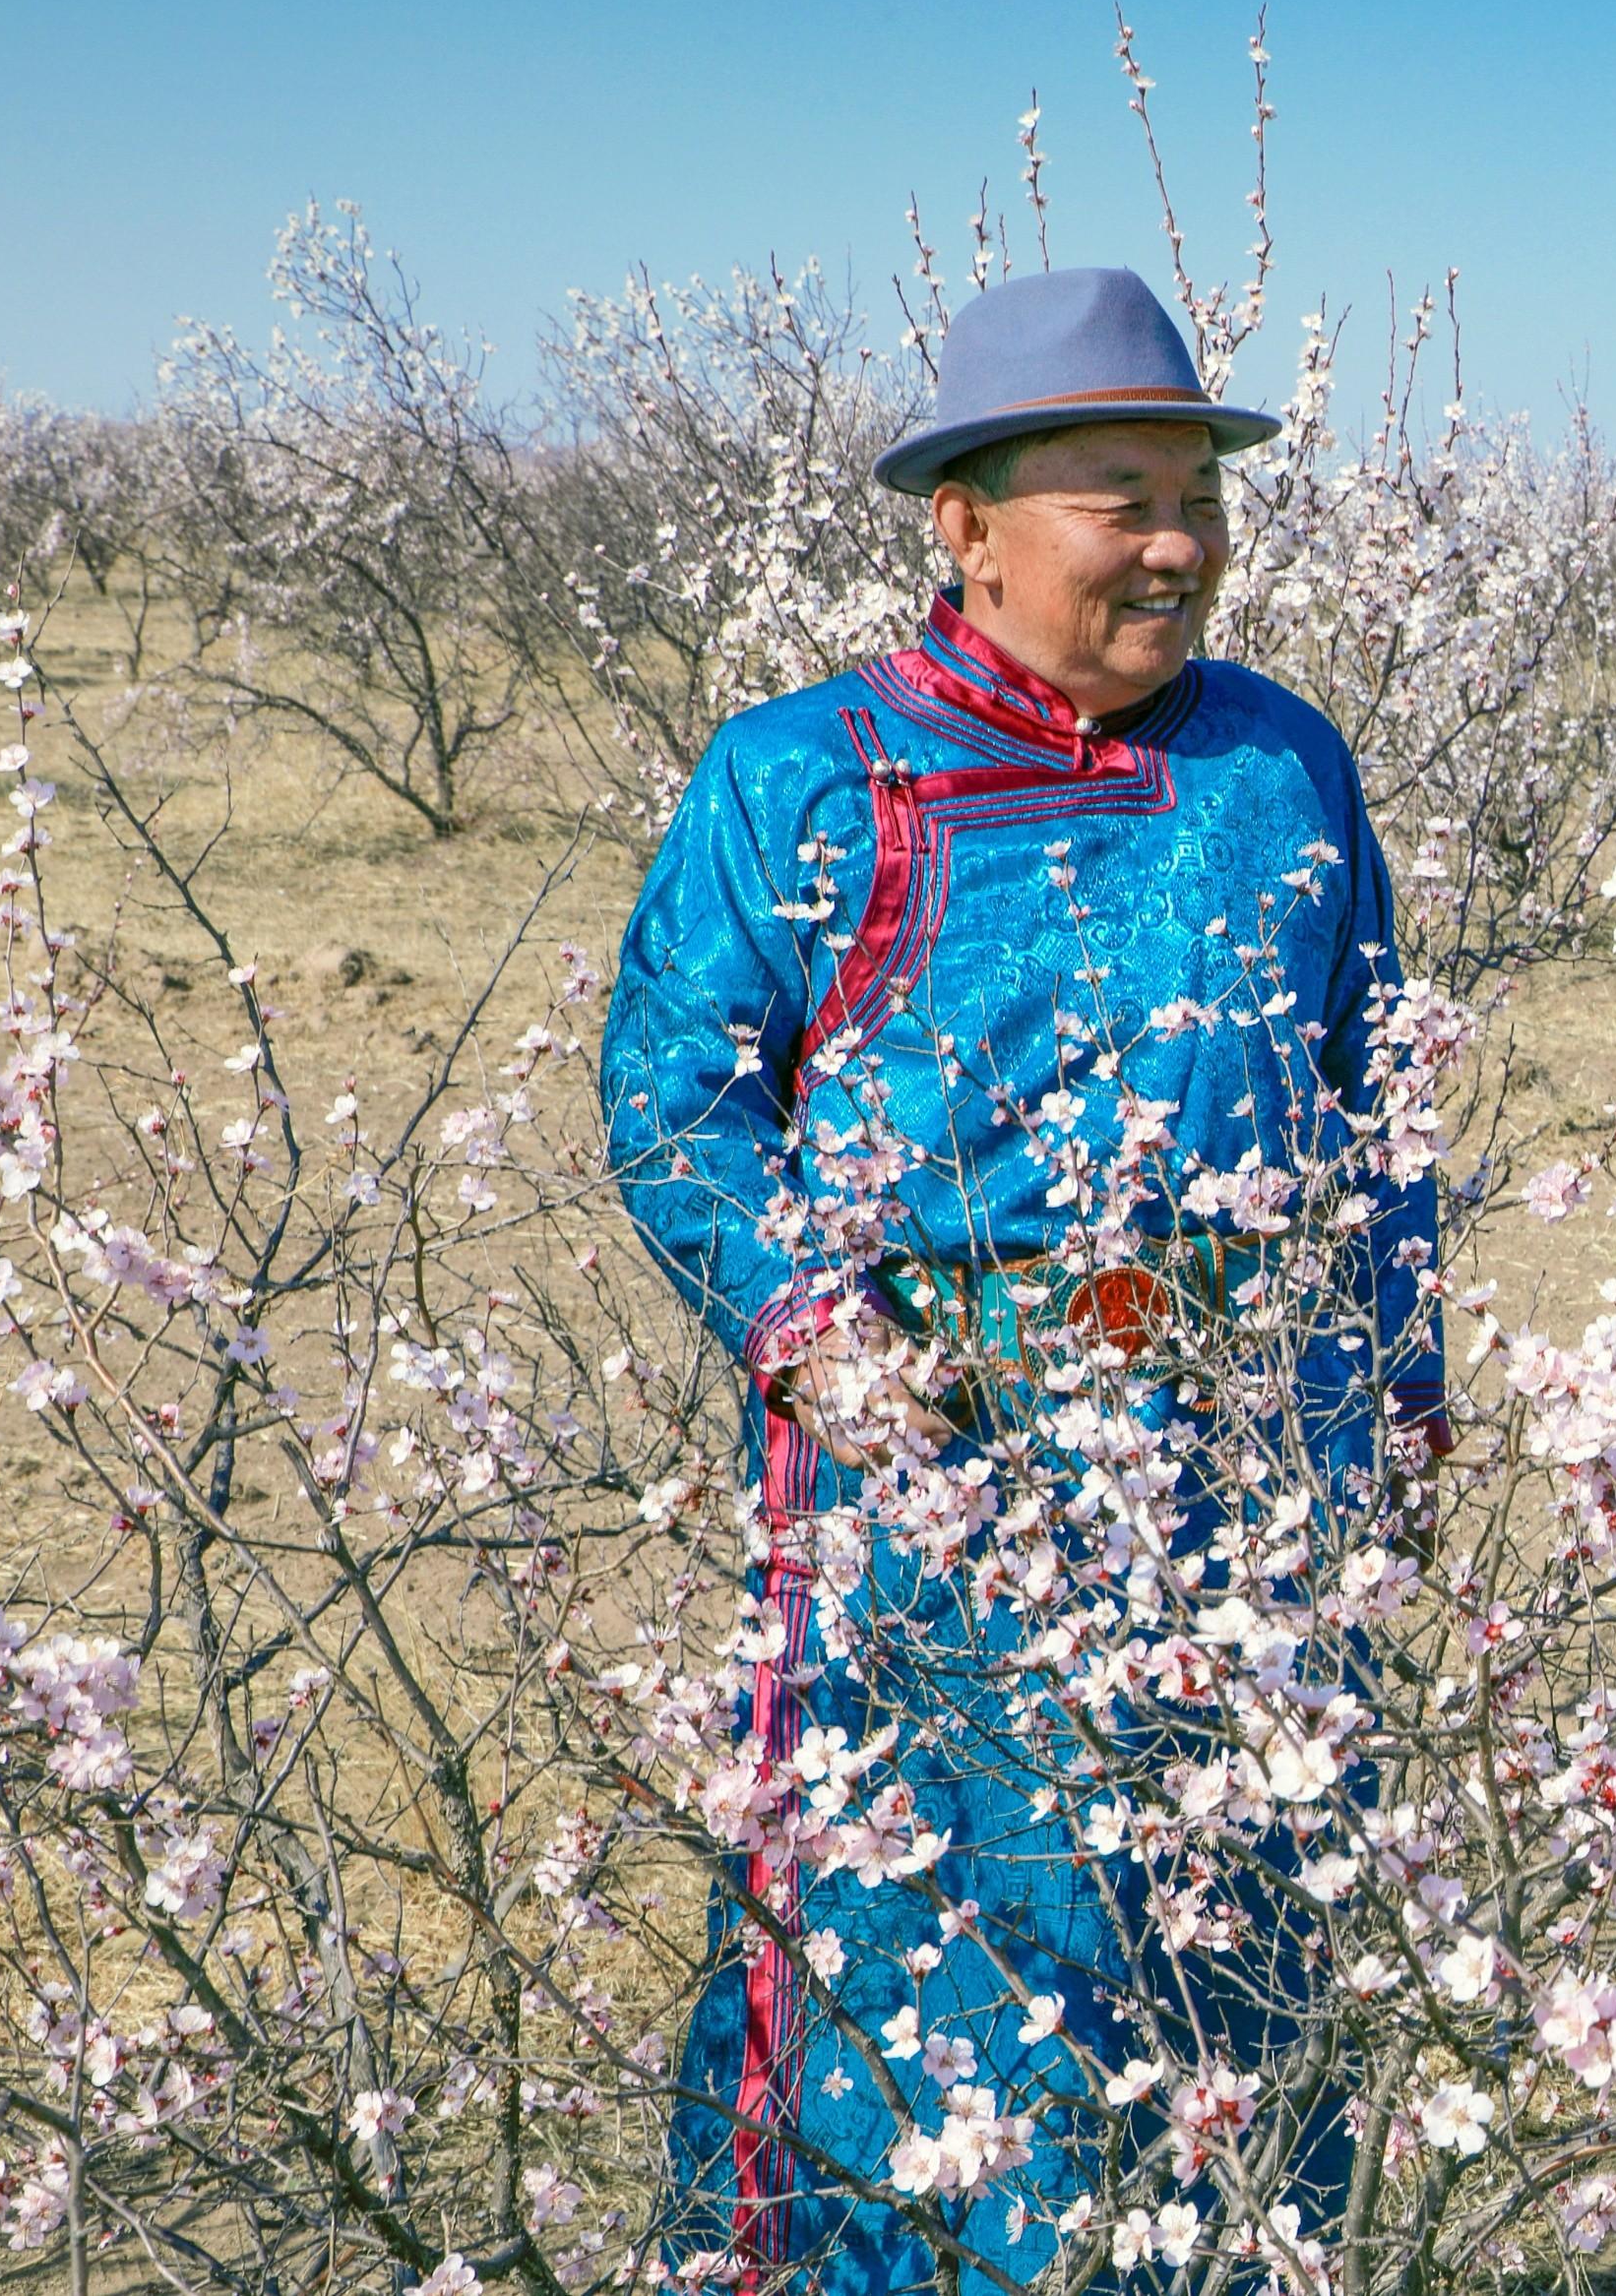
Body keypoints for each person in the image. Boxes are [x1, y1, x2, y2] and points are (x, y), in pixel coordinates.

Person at [601, 266, 1439, 2291]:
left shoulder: (1285, 764)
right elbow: (671, 1094)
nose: (1177, 546)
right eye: (1117, 494)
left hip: (1251, 1454)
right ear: (962, 521)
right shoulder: (809, 777)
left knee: (1238, 1947)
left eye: (1201, 498)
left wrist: (1398, 1387)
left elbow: (1380, 1093)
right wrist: (821, 1335)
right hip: (935, 1466)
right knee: (947, 1955)